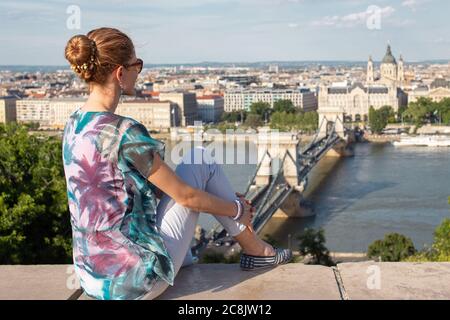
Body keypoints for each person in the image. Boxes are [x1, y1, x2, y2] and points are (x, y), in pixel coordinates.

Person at [62, 27, 292, 300]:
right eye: (137, 65)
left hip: (92, 274)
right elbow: (186, 197)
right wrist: (235, 208)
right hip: (132, 281)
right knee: (199, 158)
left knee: (196, 169)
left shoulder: (74, 124)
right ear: (120, 73)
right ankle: (257, 251)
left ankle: (245, 247)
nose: (140, 72)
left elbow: (141, 190)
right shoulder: (124, 132)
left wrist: (219, 199)